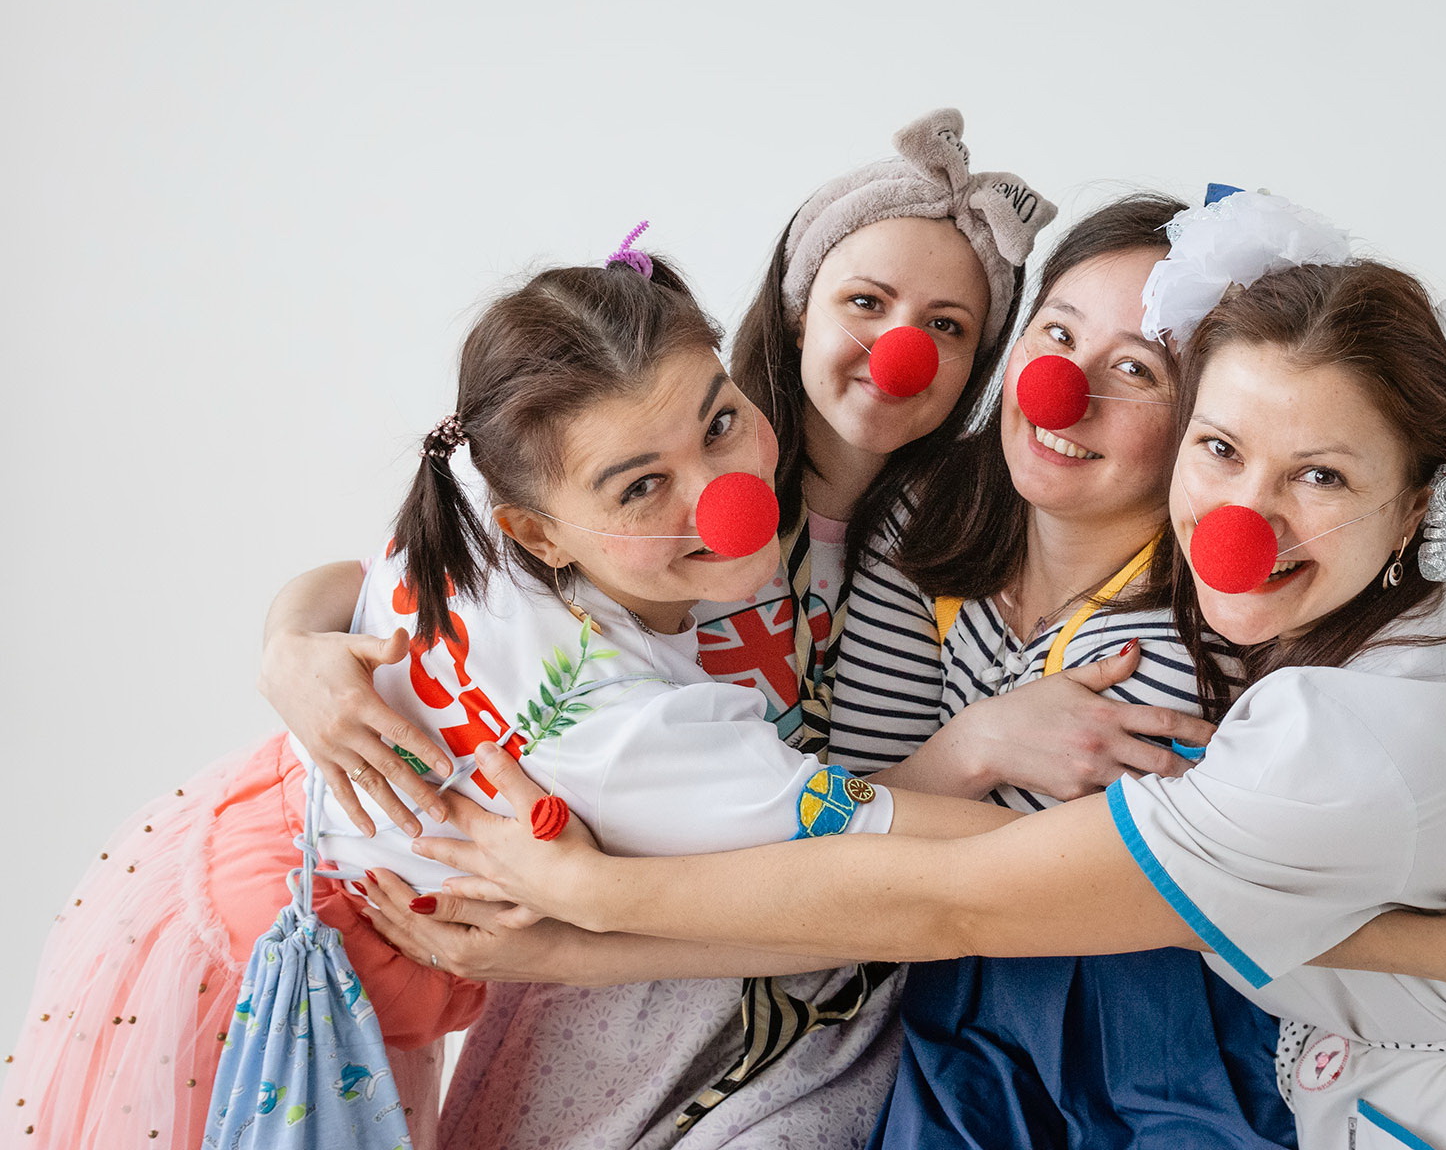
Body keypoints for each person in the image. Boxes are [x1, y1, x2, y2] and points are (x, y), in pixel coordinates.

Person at [408, 193, 1446, 1149]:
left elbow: (1036, 897)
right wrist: (311, 643)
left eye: (1134, 368)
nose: (1063, 387)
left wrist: (589, 910)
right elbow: (862, 831)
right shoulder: (912, 529)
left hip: (1160, 1026)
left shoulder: (1246, 632)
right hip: (910, 997)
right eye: (1054, 333)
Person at [0, 236, 1005, 1150]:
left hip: (222, 858)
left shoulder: (486, 509)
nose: (724, 496)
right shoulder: (634, 732)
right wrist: (1041, 800)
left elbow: (350, 583)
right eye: (641, 486)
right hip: (280, 990)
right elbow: (936, 866)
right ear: (538, 532)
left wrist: (290, 643)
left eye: (720, 423)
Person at [254, 108, 1070, 1146]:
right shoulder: (619, 457)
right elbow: (379, 576)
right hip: (486, 970)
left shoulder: (926, 531)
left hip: (780, 967)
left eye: (949, 326)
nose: (902, 347)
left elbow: (848, 846)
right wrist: (290, 650)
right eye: (866, 301)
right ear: (796, 308)